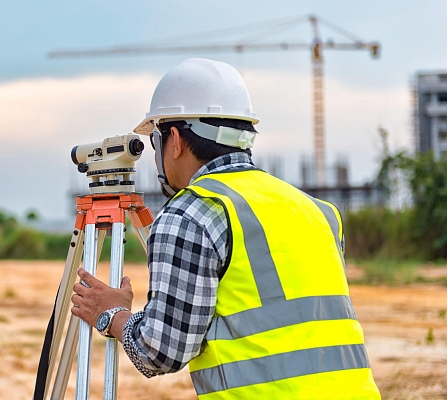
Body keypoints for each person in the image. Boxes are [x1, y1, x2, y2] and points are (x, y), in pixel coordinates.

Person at [70, 58, 380, 399]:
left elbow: (159, 353)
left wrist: (110, 314)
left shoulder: (191, 213)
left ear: (174, 140)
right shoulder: (317, 210)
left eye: (157, 140)